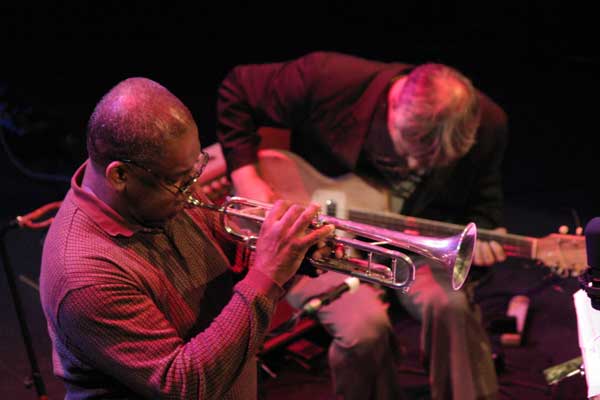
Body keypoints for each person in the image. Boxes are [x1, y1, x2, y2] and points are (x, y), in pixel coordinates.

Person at [216, 51, 509, 400]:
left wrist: (485, 238)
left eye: (430, 161)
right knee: (364, 330)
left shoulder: (489, 123)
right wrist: (247, 177)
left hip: (413, 245)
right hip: (321, 241)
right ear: (395, 102)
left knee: (452, 308)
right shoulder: (328, 78)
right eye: (410, 149)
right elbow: (236, 91)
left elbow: (484, 206)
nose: (414, 164)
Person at [39, 77, 336, 399]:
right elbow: (183, 386)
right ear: (120, 175)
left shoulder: (162, 190)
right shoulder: (84, 277)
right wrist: (269, 274)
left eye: (195, 171)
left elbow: (235, 277)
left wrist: (293, 255)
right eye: (181, 181)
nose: (192, 190)